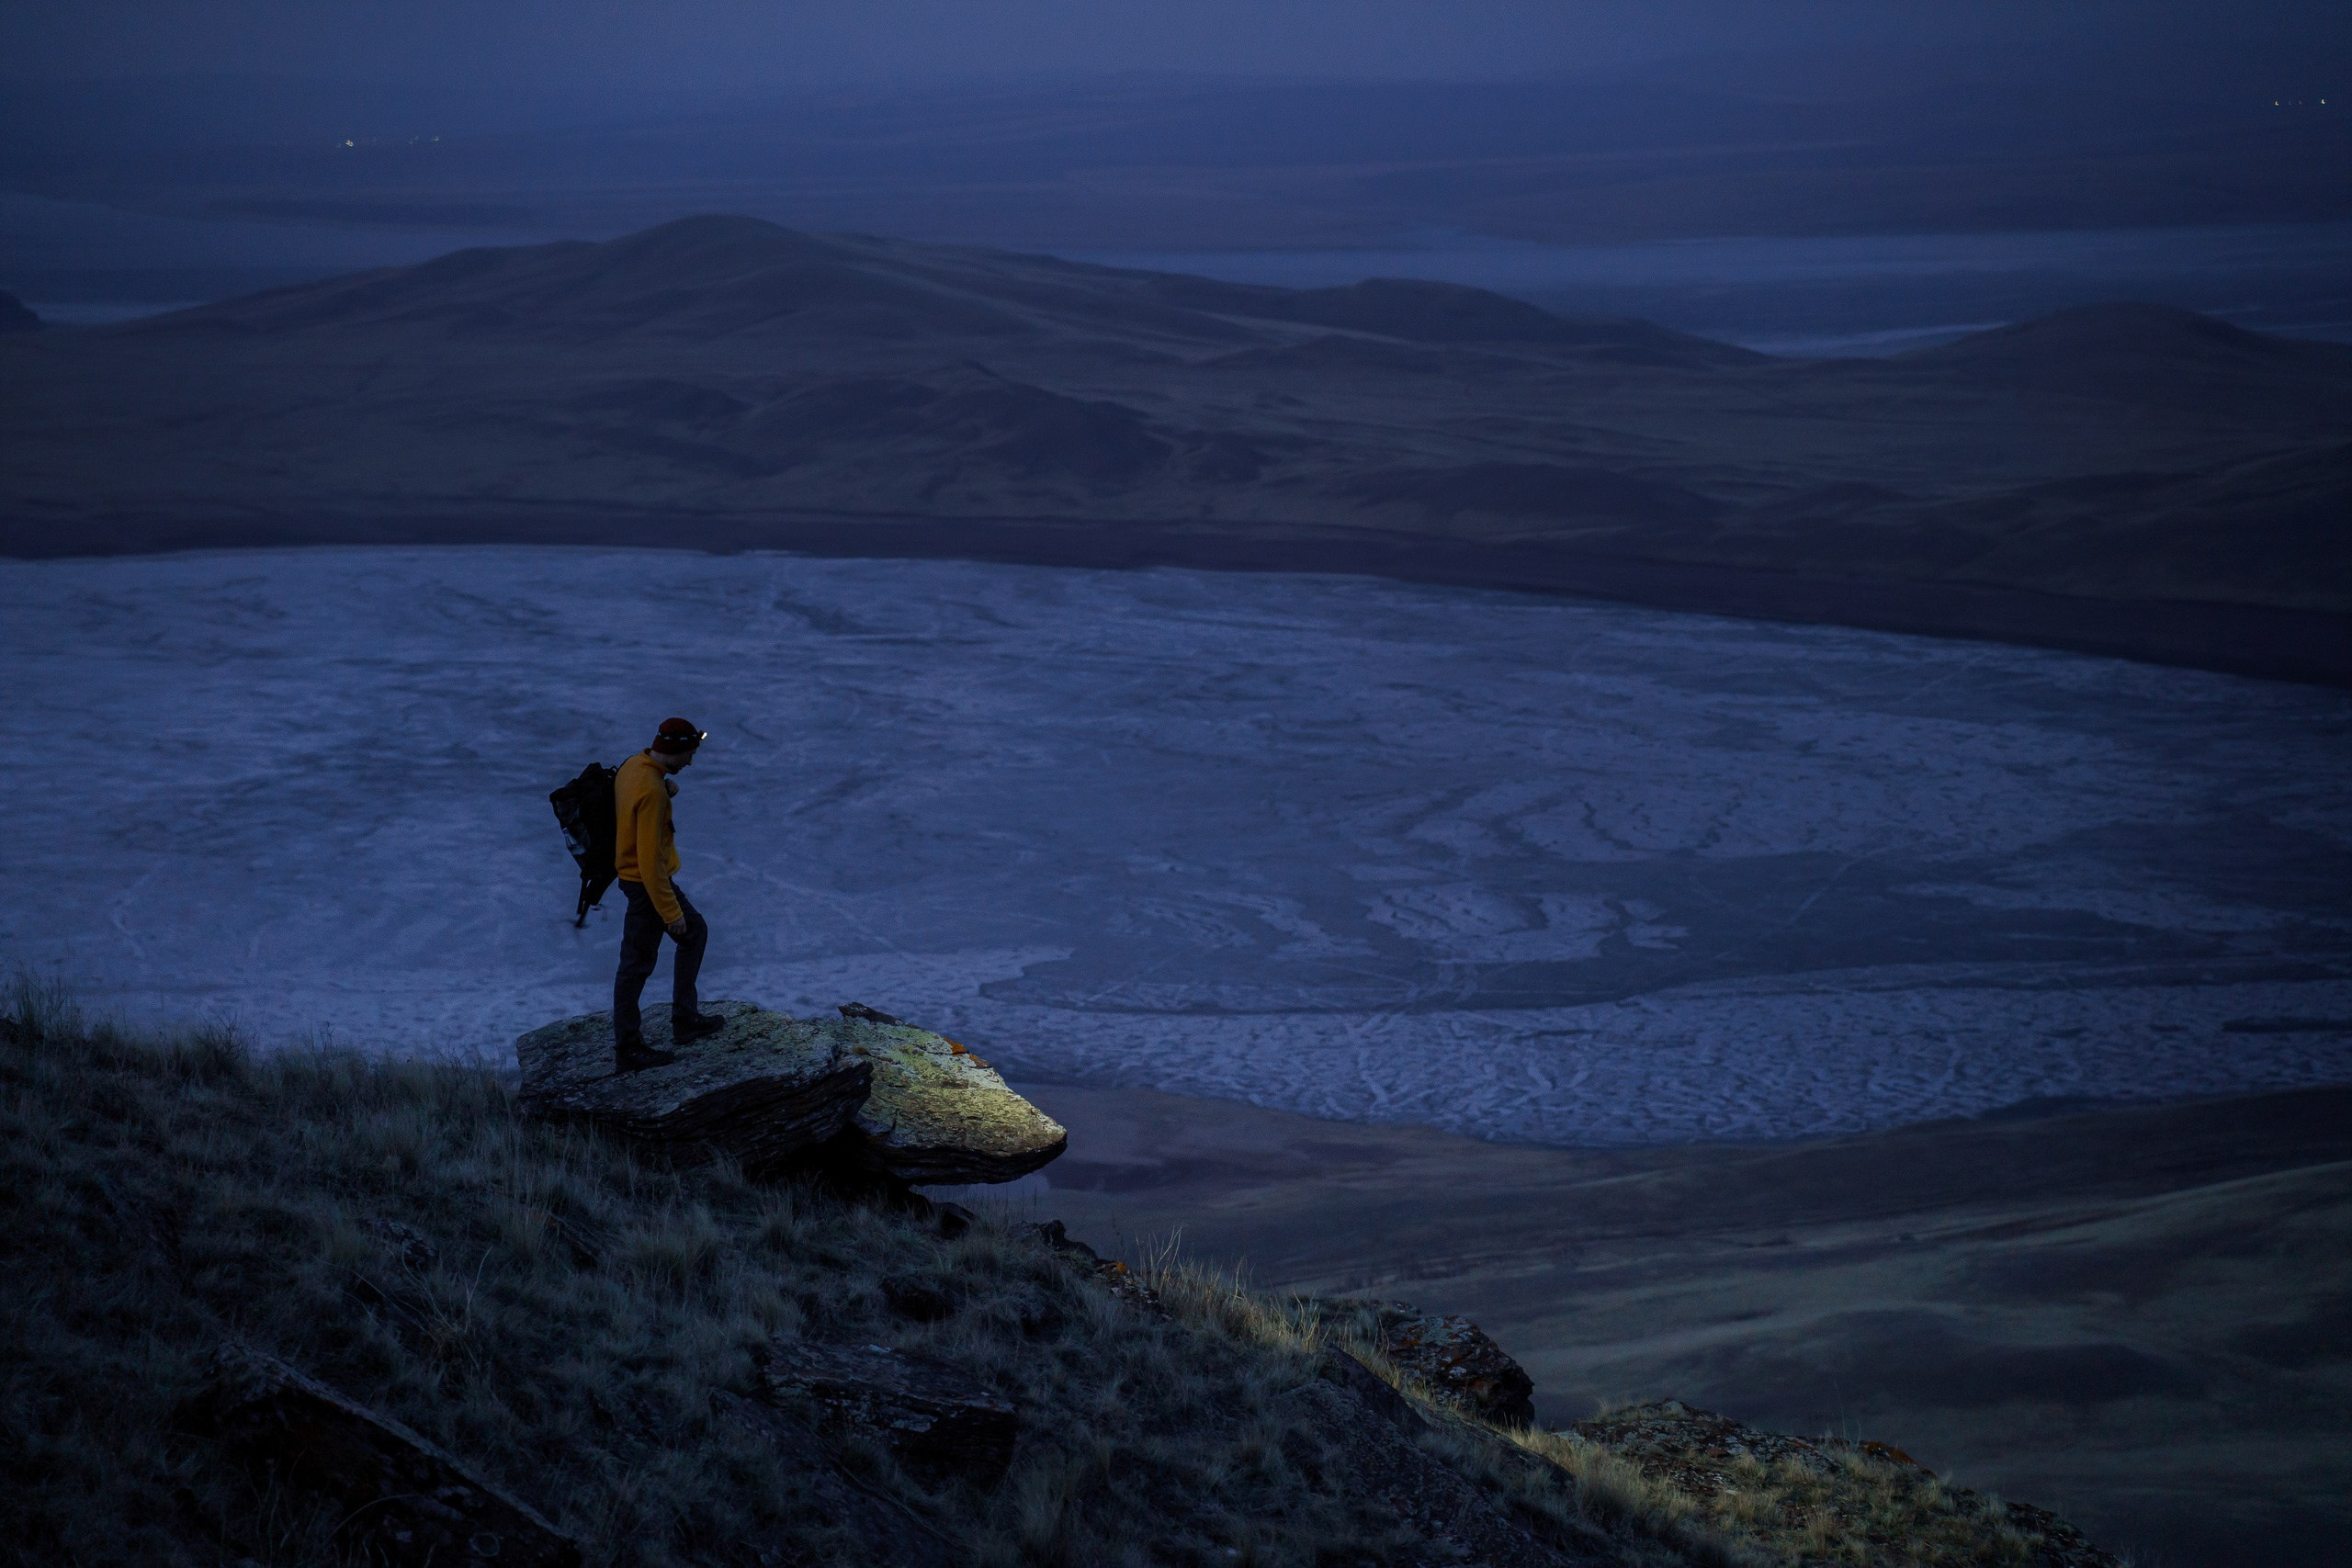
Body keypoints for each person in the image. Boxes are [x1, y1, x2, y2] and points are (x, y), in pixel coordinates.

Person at [611, 716, 724, 1070]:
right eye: (690, 754)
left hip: (638, 881)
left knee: (694, 933)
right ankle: (630, 1048)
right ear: (675, 751)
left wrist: (664, 785)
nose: (691, 762)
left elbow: (633, 798)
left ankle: (685, 1019)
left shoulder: (635, 766)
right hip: (646, 885)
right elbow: (650, 863)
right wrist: (670, 913)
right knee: (636, 966)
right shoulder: (652, 791)